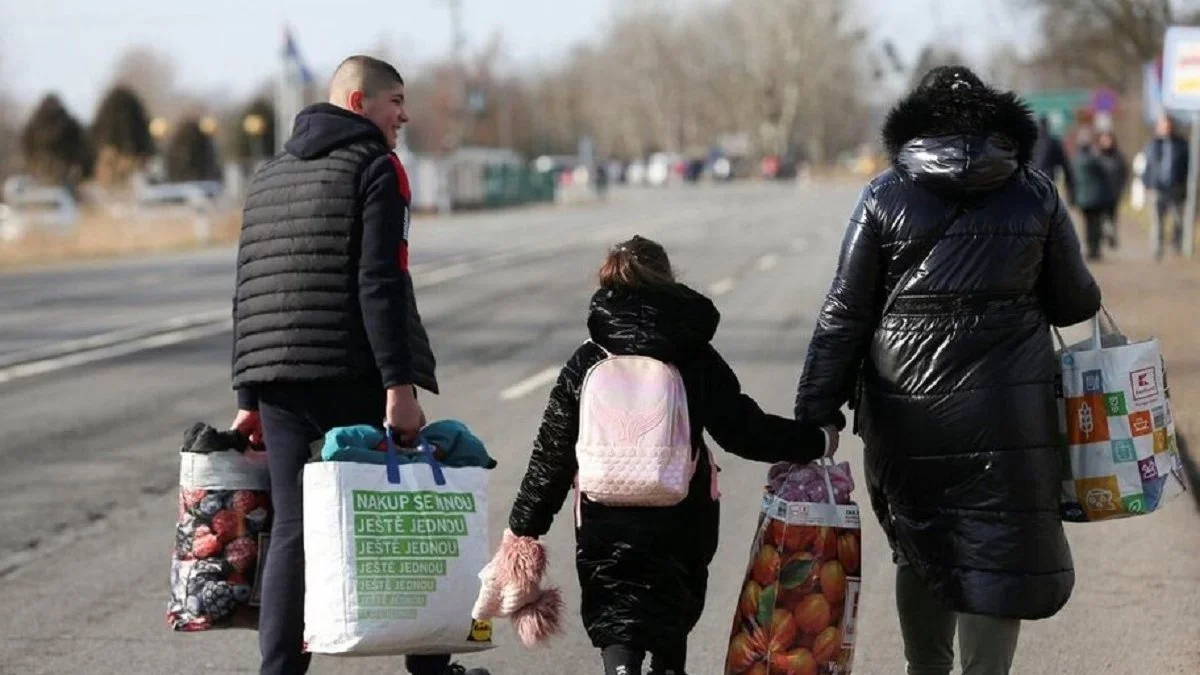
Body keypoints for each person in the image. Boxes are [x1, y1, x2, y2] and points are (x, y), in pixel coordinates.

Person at [794, 66, 1101, 675]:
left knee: (921, 542)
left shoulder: (883, 195)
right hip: (1008, 412)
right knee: (998, 546)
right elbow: (1076, 302)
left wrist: (815, 415)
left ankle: (925, 668)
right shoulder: (1034, 191)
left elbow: (843, 315)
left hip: (908, 410)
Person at [229, 55, 486, 675]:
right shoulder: (378, 167)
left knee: (291, 527)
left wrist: (246, 393)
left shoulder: (269, 174)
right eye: (394, 100)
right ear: (357, 104)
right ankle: (430, 665)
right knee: (409, 503)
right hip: (349, 366)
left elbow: (247, 286)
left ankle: (280, 671)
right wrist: (399, 387)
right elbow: (381, 282)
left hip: (274, 376)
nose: (403, 114)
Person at [495, 236, 838, 675]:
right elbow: (744, 431)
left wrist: (524, 530)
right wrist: (817, 441)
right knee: (670, 617)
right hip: (681, 515)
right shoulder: (693, 356)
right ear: (668, 280)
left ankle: (620, 669)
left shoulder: (587, 360)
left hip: (605, 515)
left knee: (617, 616)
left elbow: (552, 455)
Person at [1141, 113, 1190, 259]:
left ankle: (1178, 245)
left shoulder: (1182, 144)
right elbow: (1146, 166)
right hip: (1156, 188)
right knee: (1157, 221)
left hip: (1176, 188)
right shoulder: (1151, 145)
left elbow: (1188, 167)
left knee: (1178, 220)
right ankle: (1157, 249)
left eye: (1168, 125)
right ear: (1158, 127)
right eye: (1163, 125)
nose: (1166, 128)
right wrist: (1146, 183)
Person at [1072, 127, 1119, 261]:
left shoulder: (1076, 160)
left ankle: (1090, 249)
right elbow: (1104, 175)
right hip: (1096, 198)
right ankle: (1095, 249)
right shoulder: (1094, 160)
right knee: (1096, 225)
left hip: (1083, 198)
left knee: (1087, 225)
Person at [1094, 129, 1128, 249]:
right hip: (1098, 193)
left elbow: (1124, 173)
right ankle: (1100, 237)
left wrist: (1121, 188)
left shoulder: (1118, 157)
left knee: (1111, 217)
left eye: (1109, 139)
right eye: (1104, 140)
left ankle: (1111, 236)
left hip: (1113, 192)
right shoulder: (1096, 156)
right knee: (1099, 218)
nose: (1107, 142)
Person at [1032, 114, 1075, 204]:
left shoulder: (1028, 142)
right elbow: (1065, 164)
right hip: (1048, 180)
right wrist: (1070, 185)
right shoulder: (1053, 142)